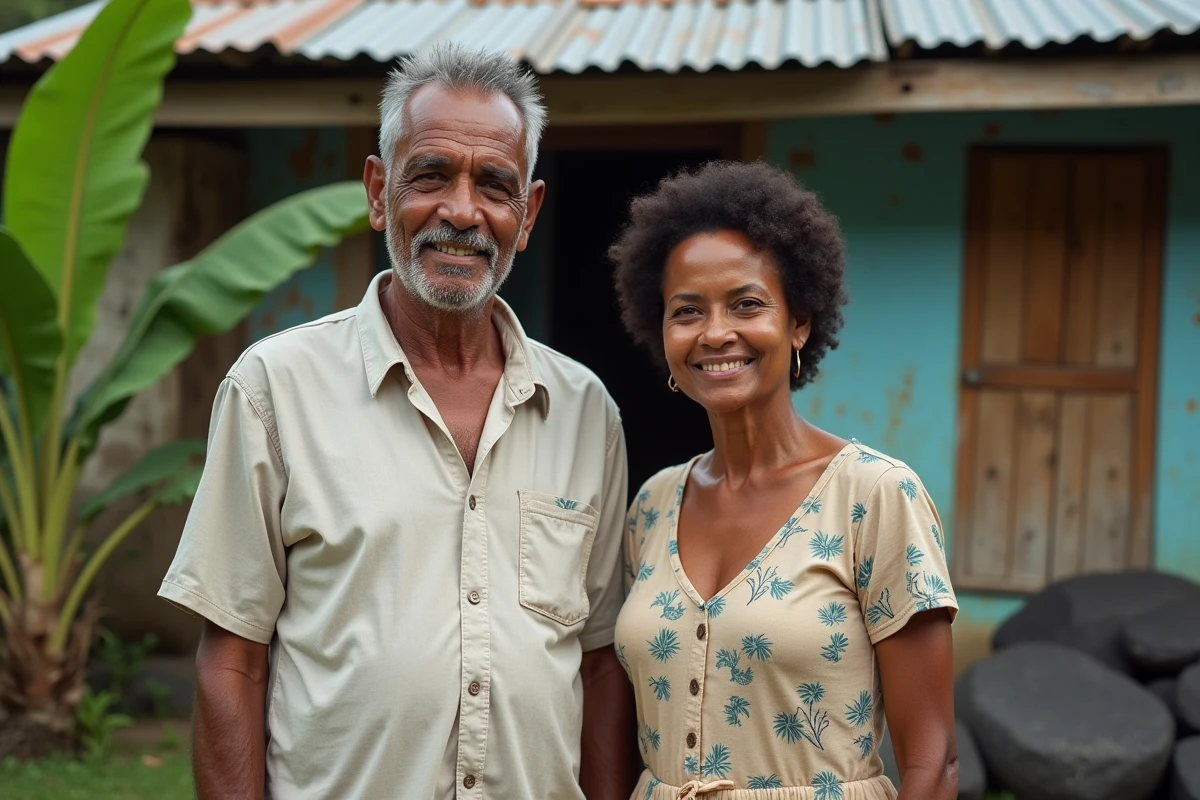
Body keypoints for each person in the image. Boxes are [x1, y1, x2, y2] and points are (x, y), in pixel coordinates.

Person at [159, 43, 636, 800]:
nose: (461, 211)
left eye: (494, 185)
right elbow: (232, 659)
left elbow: (600, 660)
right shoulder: (275, 390)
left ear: (528, 213)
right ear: (379, 192)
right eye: (431, 175)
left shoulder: (584, 410)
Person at [608, 161, 958, 799]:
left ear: (798, 323)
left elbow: (932, 764)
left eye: (746, 304)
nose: (716, 333)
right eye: (687, 311)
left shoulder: (874, 496)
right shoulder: (654, 503)